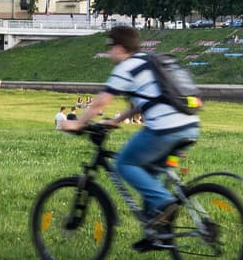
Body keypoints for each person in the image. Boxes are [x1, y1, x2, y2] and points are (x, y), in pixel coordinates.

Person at [62, 25, 200, 249]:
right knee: (149, 172)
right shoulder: (148, 61)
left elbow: (101, 101)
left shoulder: (125, 67)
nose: (108, 54)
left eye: (110, 48)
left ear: (118, 47)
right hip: (189, 125)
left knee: (124, 163)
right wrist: (115, 121)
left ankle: (165, 203)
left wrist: (78, 123)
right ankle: (157, 232)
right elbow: (144, 102)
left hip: (165, 129)